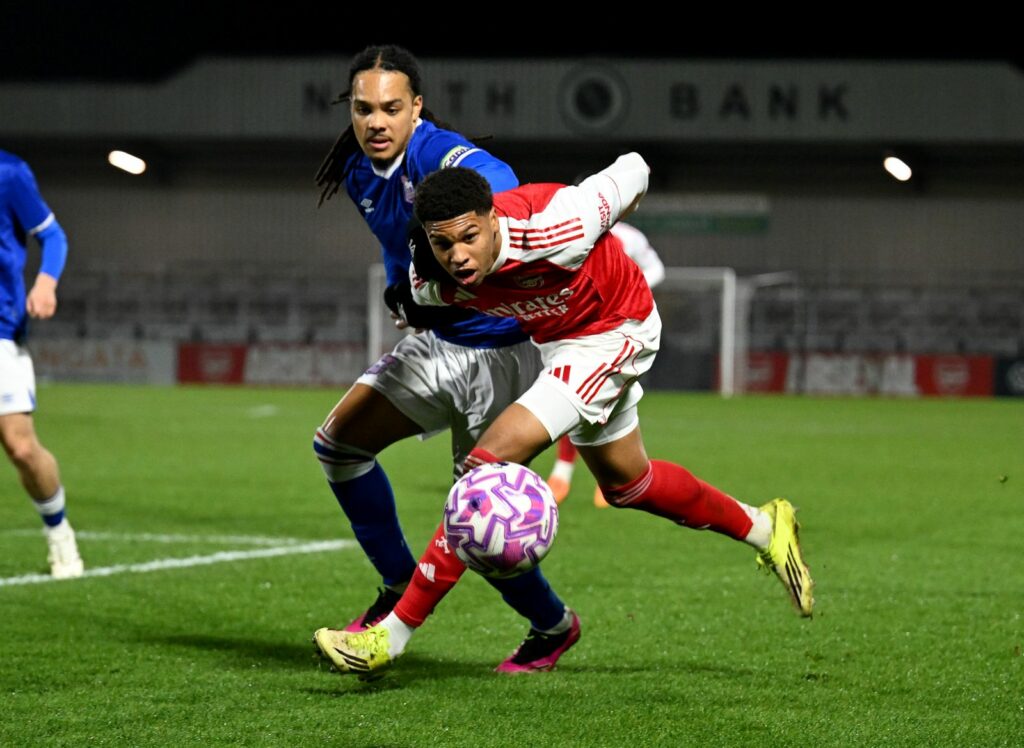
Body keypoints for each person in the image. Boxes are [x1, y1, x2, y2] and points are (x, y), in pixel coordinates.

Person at [314, 152, 815, 679]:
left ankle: (390, 637)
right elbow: (421, 294)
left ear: (492, 219)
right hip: (557, 346)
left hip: (618, 332)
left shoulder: (560, 225)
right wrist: (410, 302)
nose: (458, 255)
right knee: (630, 485)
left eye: (469, 237)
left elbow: (637, 167)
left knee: (484, 469)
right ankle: (766, 527)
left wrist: (611, 221)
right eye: (444, 244)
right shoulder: (433, 278)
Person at [310, 45, 579, 675]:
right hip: (436, 345)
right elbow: (394, 246)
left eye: (391, 108)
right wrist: (401, 289)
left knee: (479, 524)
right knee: (338, 445)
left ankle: (553, 626)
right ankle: (396, 584)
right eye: (364, 109)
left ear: (417, 109)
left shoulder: (435, 153)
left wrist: (451, 252)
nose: (377, 121)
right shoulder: (358, 171)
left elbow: (498, 181)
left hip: (502, 355)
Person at [0, 149, 83, 579]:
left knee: (20, 447)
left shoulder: (8, 173)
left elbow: (53, 237)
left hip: (2, 329)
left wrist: (46, 283)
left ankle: (59, 531)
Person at [545, 220, 665, 507]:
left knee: (615, 399)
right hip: (576, 328)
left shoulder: (630, 237)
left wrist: (630, 285)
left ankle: (612, 477)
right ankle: (563, 473)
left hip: (620, 329)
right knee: (570, 394)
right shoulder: (570, 229)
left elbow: (657, 268)